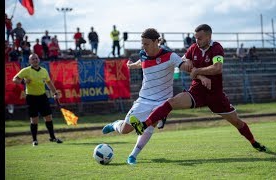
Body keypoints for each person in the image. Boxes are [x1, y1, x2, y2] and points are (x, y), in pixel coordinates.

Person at [129, 24, 267, 153]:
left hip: (215, 95)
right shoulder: (193, 48)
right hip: (196, 92)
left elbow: (217, 68)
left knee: (236, 122)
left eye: (200, 38)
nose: (197, 41)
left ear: (209, 37)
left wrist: (197, 71)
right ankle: (144, 124)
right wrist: (189, 64)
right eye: (195, 38)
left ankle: (254, 142)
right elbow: (182, 63)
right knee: (171, 102)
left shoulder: (217, 48)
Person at [101, 28, 195, 165]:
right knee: (125, 130)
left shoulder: (170, 56)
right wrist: (133, 66)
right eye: (142, 44)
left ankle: (133, 156)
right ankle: (115, 124)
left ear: (156, 41)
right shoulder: (144, 54)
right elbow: (142, 62)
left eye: (147, 44)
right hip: (144, 98)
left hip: (163, 100)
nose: (144, 47)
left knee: (152, 123)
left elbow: (184, 67)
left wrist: (190, 63)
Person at [12, 53, 63, 146]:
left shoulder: (44, 71)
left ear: (38, 60)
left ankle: (53, 137)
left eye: (36, 58)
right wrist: (23, 81)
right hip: (31, 97)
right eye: (33, 59)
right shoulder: (26, 70)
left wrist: (55, 93)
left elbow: (49, 83)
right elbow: (15, 79)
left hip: (42, 97)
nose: (35, 60)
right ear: (29, 61)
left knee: (48, 117)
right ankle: (34, 140)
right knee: (34, 119)